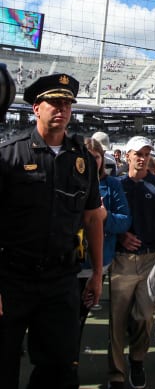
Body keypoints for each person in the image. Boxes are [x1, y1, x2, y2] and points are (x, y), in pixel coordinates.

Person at [0, 73, 104, 389]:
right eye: (53, 103)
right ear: (36, 108)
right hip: (12, 279)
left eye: (67, 103)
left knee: (59, 369)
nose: (61, 109)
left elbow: (93, 218)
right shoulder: (9, 155)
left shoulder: (82, 158)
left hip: (61, 281)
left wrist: (98, 273)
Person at [108, 136, 155, 389]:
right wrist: (121, 235)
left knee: (145, 316)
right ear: (127, 156)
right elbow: (107, 219)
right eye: (138, 153)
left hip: (150, 258)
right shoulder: (116, 185)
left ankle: (136, 360)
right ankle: (116, 373)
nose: (142, 157)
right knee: (116, 319)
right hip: (122, 259)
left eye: (146, 153)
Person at [77, 138, 131, 361]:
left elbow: (124, 220)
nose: (92, 162)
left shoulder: (112, 185)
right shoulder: (65, 182)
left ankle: (71, 363)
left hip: (95, 264)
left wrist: (104, 216)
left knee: (79, 317)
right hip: (66, 262)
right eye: (87, 157)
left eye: (96, 157)